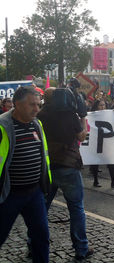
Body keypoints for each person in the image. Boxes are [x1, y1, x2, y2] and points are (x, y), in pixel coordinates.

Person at [36, 86, 93, 260]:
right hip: (68, 165)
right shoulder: (70, 115)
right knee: (76, 208)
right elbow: (82, 136)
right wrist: (83, 118)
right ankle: (81, 248)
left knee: (40, 210)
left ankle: (34, 245)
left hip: (47, 167)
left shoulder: (40, 115)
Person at [0, 86, 52, 263]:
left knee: (41, 237)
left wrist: (44, 184)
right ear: (16, 104)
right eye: (32, 104)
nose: (37, 109)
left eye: (39, 104)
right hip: (8, 195)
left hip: (34, 193)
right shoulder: (2, 126)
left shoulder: (37, 124)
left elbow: (43, 155)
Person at [89, 99, 114, 188]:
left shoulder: (108, 115)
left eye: (104, 105)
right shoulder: (92, 115)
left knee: (110, 161)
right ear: (96, 106)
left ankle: (113, 180)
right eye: (100, 105)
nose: (102, 107)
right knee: (95, 161)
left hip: (106, 142)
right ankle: (96, 180)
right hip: (96, 142)